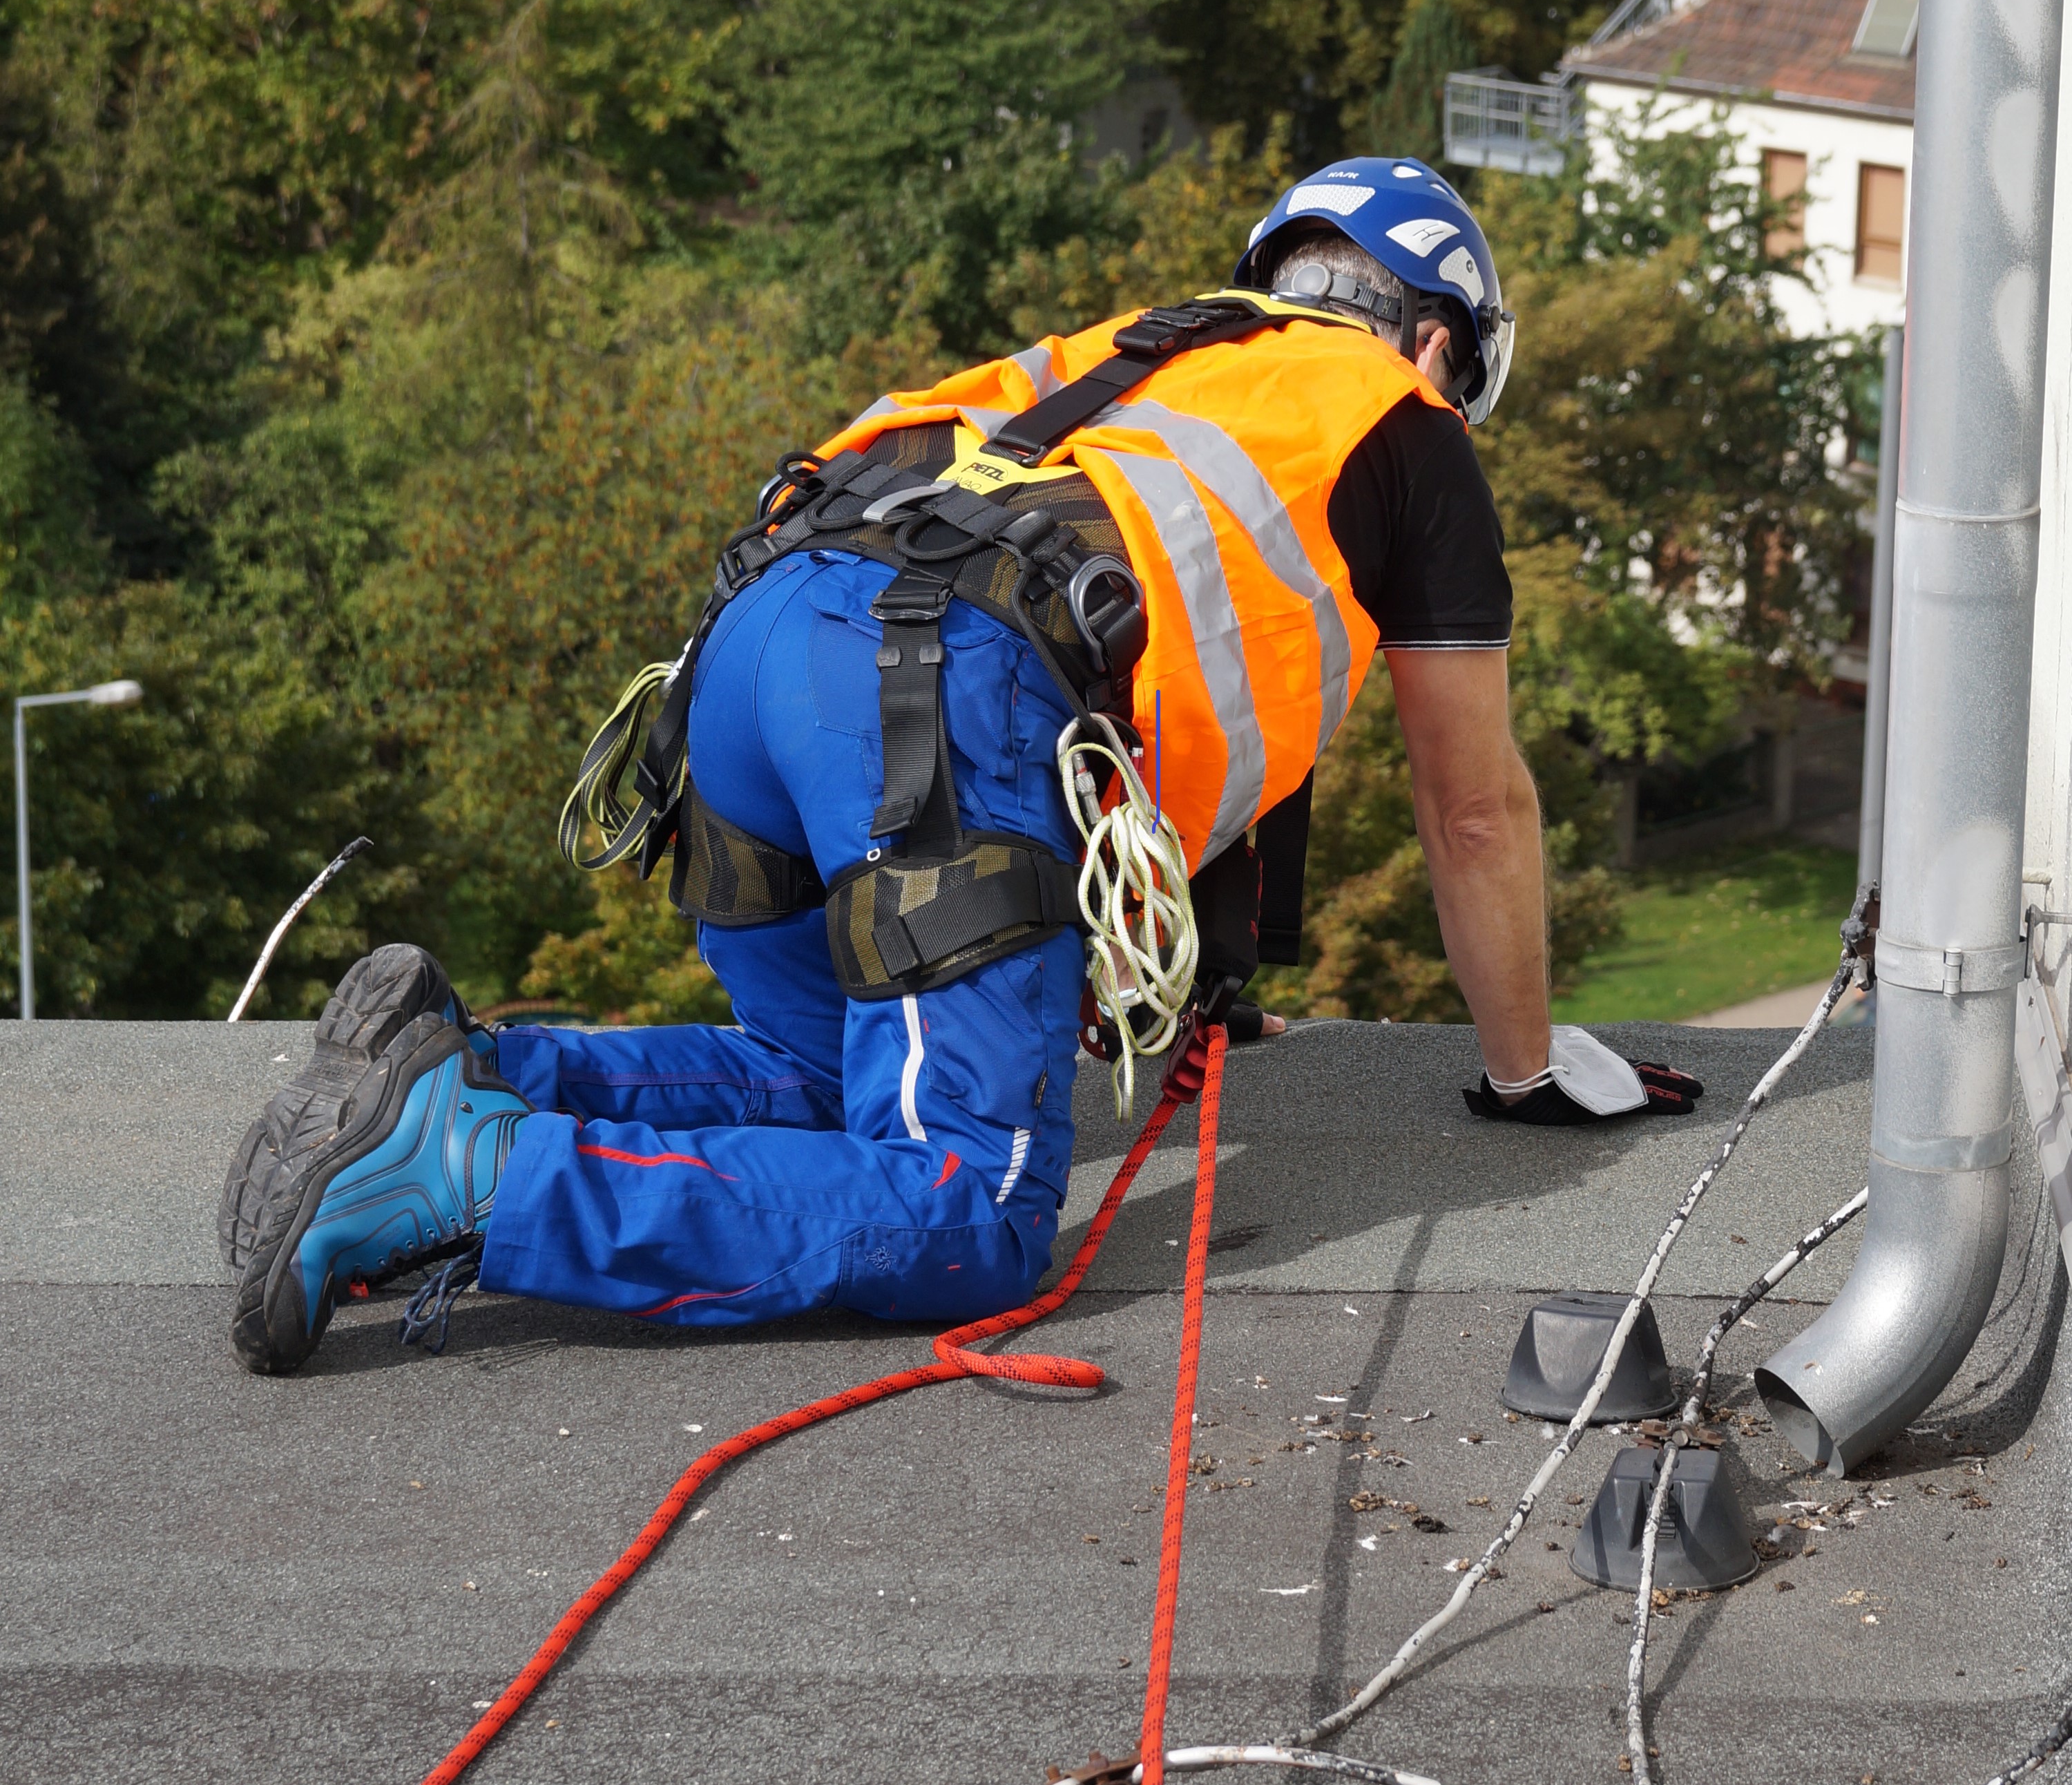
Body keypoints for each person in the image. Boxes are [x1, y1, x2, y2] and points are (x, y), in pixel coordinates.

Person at [223, 158, 1699, 1376]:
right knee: (967, 1212)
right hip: (924, 688)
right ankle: (468, 1175)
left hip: (751, 652)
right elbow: (1475, 805)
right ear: (1438, 336)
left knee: (824, 1073)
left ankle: (456, 1066)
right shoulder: (1402, 420)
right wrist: (1523, 1073)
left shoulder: (1151, 356)